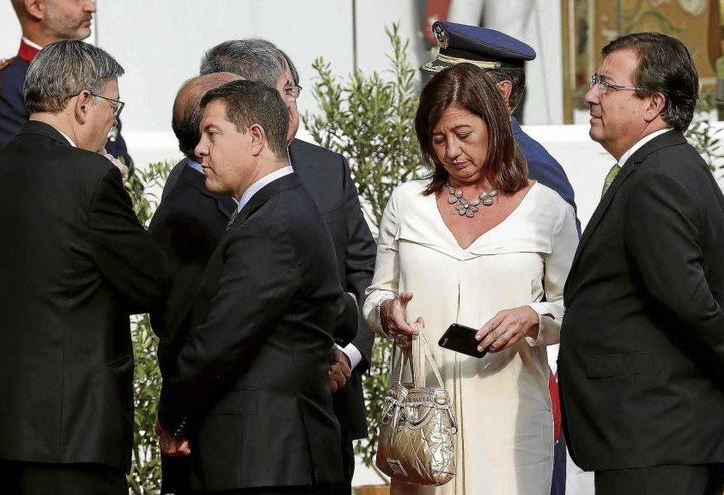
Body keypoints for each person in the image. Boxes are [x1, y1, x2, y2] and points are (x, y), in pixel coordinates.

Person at [0, 40, 169, 494]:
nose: (114, 120)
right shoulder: (91, 177)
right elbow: (152, 282)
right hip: (66, 435)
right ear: (84, 104)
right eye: (114, 105)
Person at [161, 39, 376, 493]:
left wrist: (174, 414)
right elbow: (333, 305)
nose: (199, 150)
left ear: (254, 133)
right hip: (262, 444)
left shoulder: (273, 219)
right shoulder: (276, 204)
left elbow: (222, 333)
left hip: (266, 453)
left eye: (212, 134)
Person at [558, 32, 724, 495]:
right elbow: (717, 289)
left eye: (607, 85)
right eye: (595, 81)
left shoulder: (656, 179)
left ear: (652, 103)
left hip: (654, 439)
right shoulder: (676, 166)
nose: (591, 95)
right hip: (664, 437)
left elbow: (689, 297)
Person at [363, 63, 579, 494]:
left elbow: (578, 310)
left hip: (512, 421)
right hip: (424, 425)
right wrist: (387, 314)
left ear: (494, 126)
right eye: (439, 139)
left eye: (464, 134)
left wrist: (533, 318)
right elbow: (376, 296)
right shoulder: (406, 204)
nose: (452, 151)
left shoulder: (547, 209)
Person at [420, 21, 578, 493]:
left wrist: (530, 317)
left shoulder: (533, 170)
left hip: (511, 397)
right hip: (447, 392)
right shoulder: (451, 162)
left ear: (502, 93)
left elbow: (574, 294)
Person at [148, 72, 241, 495]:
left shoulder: (222, 192)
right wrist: (179, 415)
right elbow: (180, 325)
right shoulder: (190, 207)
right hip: (203, 428)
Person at [421, 20, 579, 233]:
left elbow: (564, 252)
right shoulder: (452, 148)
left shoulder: (530, 164)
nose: (447, 94)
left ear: (502, 93)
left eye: (463, 84)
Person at [0, 0, 131, 164]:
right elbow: (20, 178)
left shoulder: (97, 78)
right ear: (35, 6)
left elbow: (127, 171)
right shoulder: (2, 91)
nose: (91, 7)